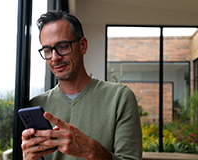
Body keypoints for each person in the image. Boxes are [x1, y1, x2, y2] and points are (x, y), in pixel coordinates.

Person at [21, 10, 142, 160]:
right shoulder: (37, 105)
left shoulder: (120, 97)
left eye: (63, 46)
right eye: (47, 50)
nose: (55, 57)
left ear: (83, 46)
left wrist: (92, 151)